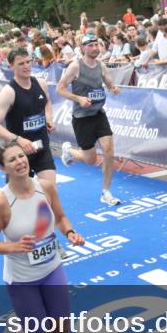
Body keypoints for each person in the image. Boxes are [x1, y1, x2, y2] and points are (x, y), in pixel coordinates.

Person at [0, 141, 85, 333]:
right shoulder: (0, 202)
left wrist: (70, 232)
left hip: (51, 269)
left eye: (21, 156)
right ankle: (17, 327)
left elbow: (60, 217)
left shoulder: (45, 187)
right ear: (2, 167)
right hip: (22, 279)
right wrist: (13, 247)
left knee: (62, 328)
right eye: (12, 159)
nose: (20, 162)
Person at [56, 33, 123, 206]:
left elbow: (109, 84)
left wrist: (114, 88)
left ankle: (106, 192)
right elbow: (60, 89)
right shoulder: (75, 67)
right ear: (83, 48)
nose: (94, 48)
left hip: (99, 114)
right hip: (81, 118)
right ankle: (70, 152)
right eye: (90, 45)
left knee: (109, 151)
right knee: (90, 159)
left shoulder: (101, 66)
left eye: (96, 45)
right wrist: (78, 99)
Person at [0, 48, 58, 184]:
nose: (26, 66)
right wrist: (19, 140)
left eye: (28, 62)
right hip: (18, 154)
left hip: (41, 147)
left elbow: (47, 102)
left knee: (49, 190)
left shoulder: (41, 83)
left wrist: (49, 118)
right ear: (11, 66)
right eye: (21, 64)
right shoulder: (8, 92)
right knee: (20, 198)